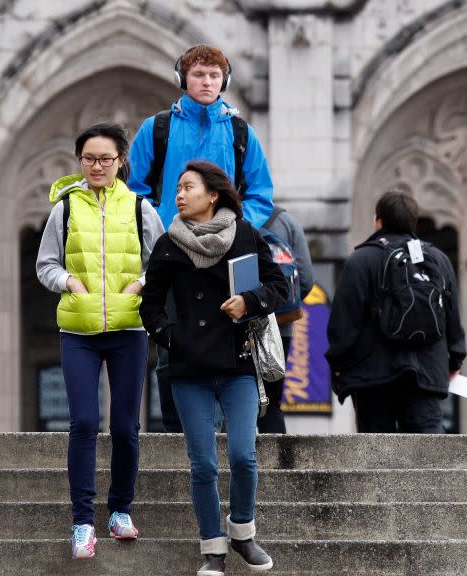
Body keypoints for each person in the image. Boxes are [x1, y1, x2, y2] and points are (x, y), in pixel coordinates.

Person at [140, 161, 286, 576]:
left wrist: (249, 302)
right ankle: (213, 550)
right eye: (179, 189)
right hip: (188, 370)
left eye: (188, 188)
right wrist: (172, 337)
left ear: (214, 194)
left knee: (243, 455)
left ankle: (242, 531)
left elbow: (280, 286)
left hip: (237, 363)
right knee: (202, 463)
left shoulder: (245, 234)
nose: (179, 195)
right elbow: (150, 305)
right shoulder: (170, 243)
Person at [128, 44, 274, 432]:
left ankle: (231, 429)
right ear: (183, 79)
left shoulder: (241, 131)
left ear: (224, 81)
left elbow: (261, 193)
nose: (206, 82)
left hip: (228, 251)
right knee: (168, 344)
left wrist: (239, 229)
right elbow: (135, 189)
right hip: (172, 249)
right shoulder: (156, 129)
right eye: (198, 75)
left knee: (237, 338)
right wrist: (158, 227)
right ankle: (178, 431)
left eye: (213, 75)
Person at [36, 123, 165, 559]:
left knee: (126, 425)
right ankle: (82, 521)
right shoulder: (65, 209)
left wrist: (139, 286)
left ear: (120, 162)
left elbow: (161, 264)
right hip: (79, 330)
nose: (95, 166)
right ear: (79, 161)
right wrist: (69, 281)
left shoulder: (141, 208)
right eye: (88, 159)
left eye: (105, 159)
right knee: (84, 423)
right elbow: (45, 264)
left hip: (129, 330)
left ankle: (120, 511)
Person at [325, 190, 466, 433]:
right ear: (414, 221)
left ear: (378, 220)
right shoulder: (438, 259)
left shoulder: (361, 259)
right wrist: (455, 359)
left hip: (372, 376)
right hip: (426, 372)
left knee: (378, 457)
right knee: (429, 457)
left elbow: (344, 321)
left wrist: (338, 363)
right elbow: (451, 318)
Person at [258, 207, 314, 433]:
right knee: (271, 402)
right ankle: (276, 466)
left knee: (234, 402)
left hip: (237, 326)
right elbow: (307, 279)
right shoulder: (287, 222)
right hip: (281, 327)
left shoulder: (226, 218)